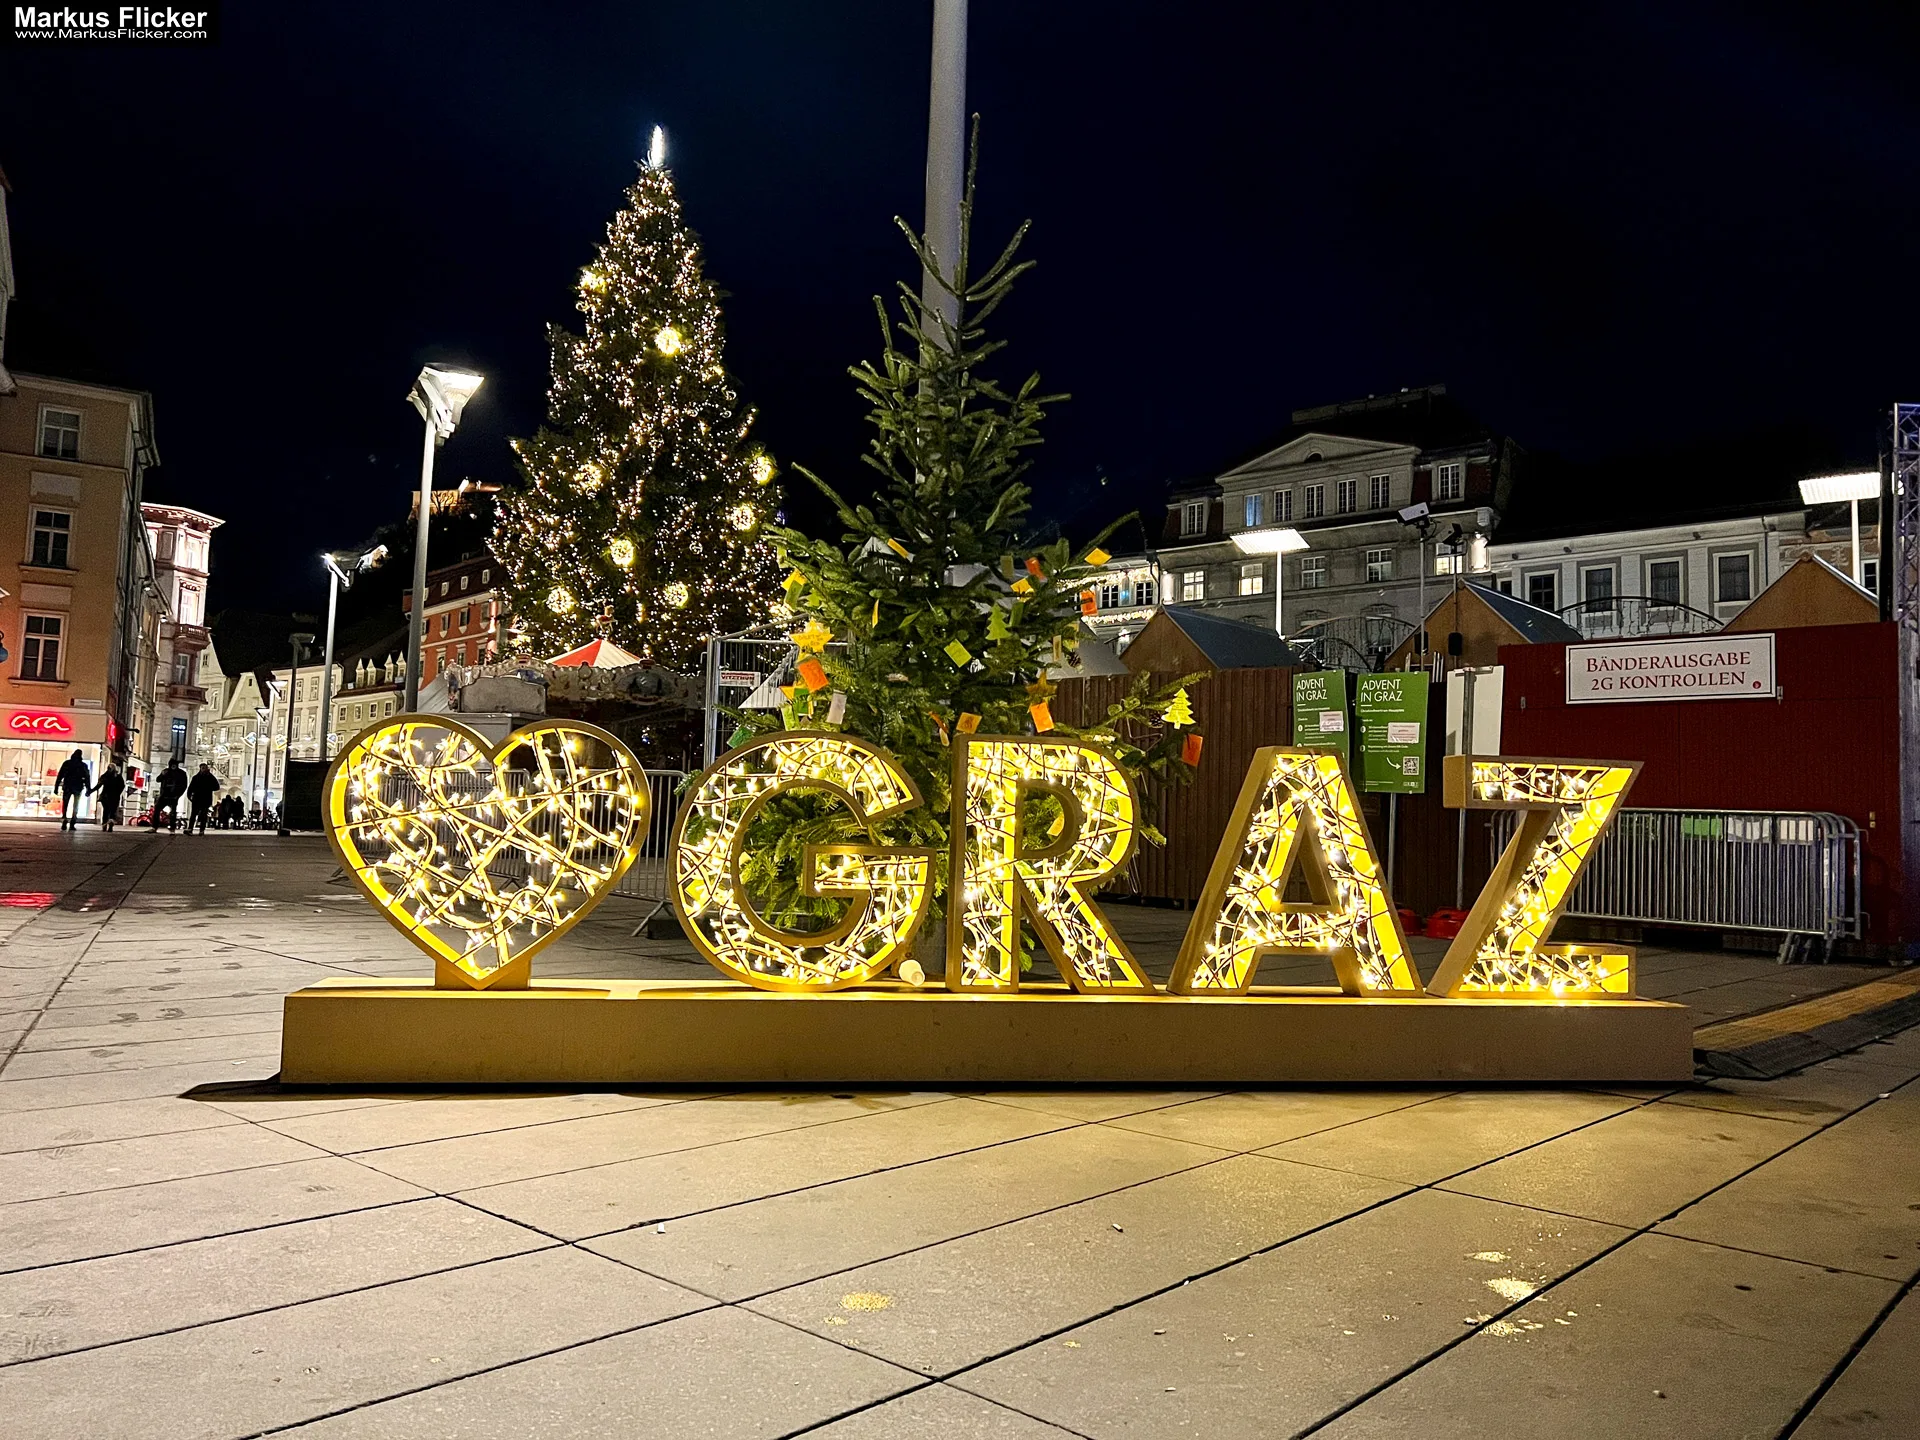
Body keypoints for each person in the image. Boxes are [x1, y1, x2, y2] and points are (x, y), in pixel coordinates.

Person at [55, 749, 90, 831]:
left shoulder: (67, 763)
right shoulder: (83, 765)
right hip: (78, 787)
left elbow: (60, 775)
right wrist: (88, 789)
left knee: (65, 803)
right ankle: (73, 821)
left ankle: (64, 818)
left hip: (67, 786)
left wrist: (56, 787)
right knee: (76, 805)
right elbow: (87, 778)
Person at [91, 760, 126, 832]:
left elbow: (99, 785)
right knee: (112, 811)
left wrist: (91, 791)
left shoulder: (105, 776)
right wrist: (118, 793)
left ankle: (104, 825)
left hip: (105, 797)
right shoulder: (118, 777)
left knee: (106, 811)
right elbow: (122, 786)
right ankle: (111, 823)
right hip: (115, 797)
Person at [155, 758, 188, 833]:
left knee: (173, 812)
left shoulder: (181, 773)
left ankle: (172, 828)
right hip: (164, 795)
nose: (173, 766)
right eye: (172, 765)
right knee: (157, 809)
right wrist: (162, 775)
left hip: (174, 795)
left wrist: (178, 795)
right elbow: (158, 779)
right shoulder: (166, 771)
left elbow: (184, 785)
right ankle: (155, 826)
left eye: (174, 765)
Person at [186, 763, 219, 835]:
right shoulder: (196, 778)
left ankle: (201, 830)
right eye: (202, 768)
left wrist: (209, 787)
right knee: (193, 814)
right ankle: (190, 828)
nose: (204, 769)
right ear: (200, 769)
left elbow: (217, 787)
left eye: (205, 768)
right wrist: (189, 796)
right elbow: (191, 788)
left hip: (206, 799)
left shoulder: (210, 777)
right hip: (196, 798)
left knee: (204, 815)